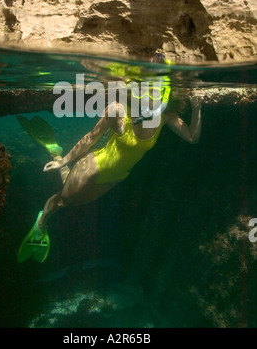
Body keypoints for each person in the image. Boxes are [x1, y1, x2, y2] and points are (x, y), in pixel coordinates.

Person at [17, 84, 203, 263]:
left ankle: (56, 152)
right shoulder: (118, 110)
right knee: (63, 201)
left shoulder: (166, 115)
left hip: (118, 176)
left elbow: (192, 137)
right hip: (93, 167)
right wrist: (65, 160)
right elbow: (91, 137)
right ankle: (41, 223)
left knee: (74, 200)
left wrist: (196, 108)